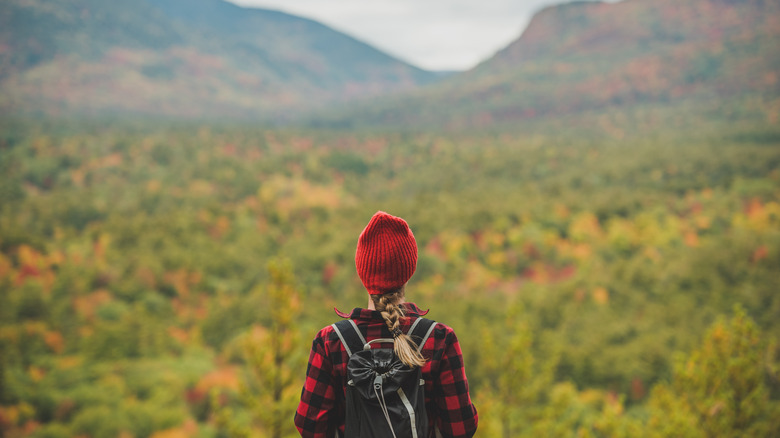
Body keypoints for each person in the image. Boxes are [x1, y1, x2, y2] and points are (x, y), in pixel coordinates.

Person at [294, 211, 478, 438]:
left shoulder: (330, 342)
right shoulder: (439, 339)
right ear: (408, 271)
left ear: (362, 272)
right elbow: (461, 429)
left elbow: (309, 428)